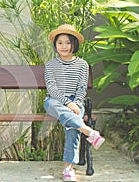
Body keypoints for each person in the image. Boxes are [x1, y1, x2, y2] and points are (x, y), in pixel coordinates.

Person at [44, 24, 105, 182]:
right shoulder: (51, 65)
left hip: (75, 102)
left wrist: (76, 104)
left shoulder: (82, 65)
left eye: (68, 42)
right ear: (55, 45)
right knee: (56, 106)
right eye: (60, 43)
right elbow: (51, 87)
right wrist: (67, 103)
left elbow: (81, 88)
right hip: (54, 101)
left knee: (72, 124)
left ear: (74, 44)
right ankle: (88, 131)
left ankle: (68, 168)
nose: (64, 46)